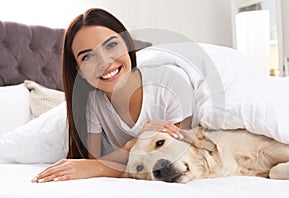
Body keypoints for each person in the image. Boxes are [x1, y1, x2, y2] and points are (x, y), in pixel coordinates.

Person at [32, 8, 194, 183]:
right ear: (80, 71)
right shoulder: (92, 102)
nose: (104, 62)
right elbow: (93, 162)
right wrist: (134, 143)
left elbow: (181, 152)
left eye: (111, 45)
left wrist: (102, 166)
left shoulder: (169, 83)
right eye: (88, 57)